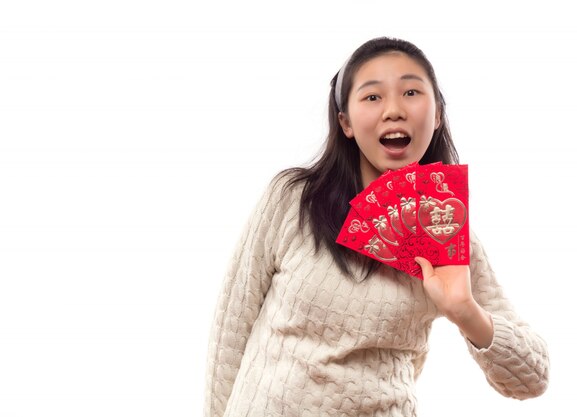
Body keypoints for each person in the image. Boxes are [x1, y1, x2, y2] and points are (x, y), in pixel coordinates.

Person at [204, 37, 549, 417]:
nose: (394, 110)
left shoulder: (447, 233)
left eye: (412, 91)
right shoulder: (293, 200)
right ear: (346, 122)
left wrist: (465, 310)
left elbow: (532, 378)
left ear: (436, 115)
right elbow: (230, 334)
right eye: (372, 97)